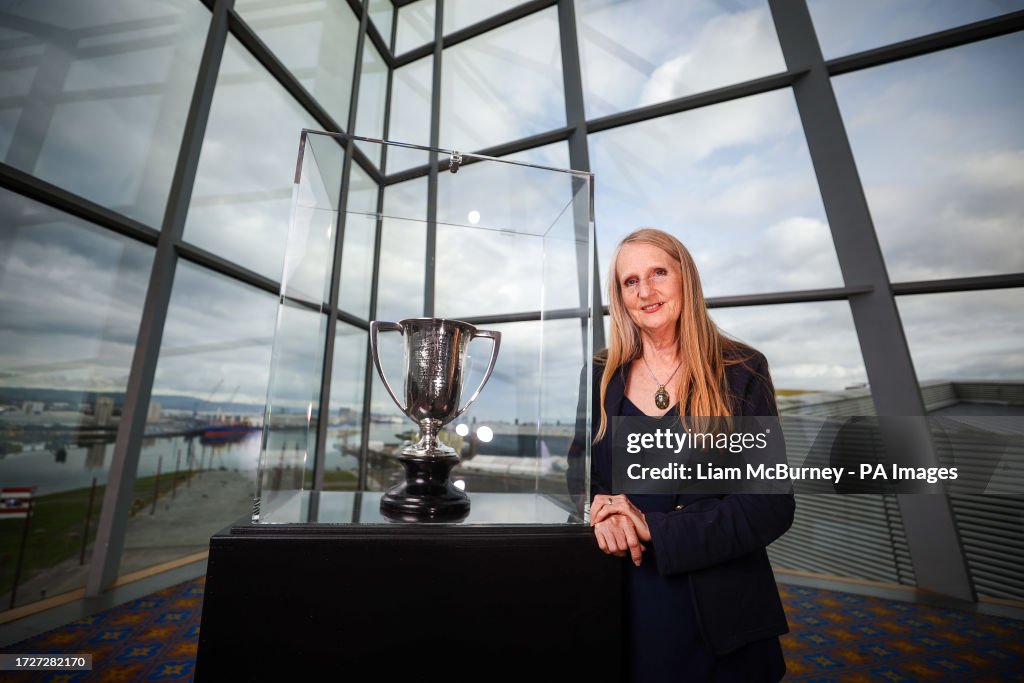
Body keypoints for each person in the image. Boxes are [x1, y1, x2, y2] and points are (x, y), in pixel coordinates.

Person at [576, 228, 794, 682]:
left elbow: (769, 506)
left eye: (658, 273)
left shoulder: (741, 370)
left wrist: (652, 526)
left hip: (721, 609)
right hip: (623, 596)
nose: (646, 291)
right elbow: (584, 480)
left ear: (685, 279)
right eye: (630, 281)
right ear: (619, 296)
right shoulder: (601, 375)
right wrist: (604, 513)